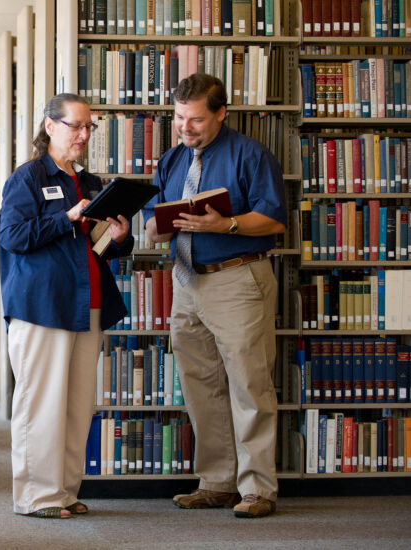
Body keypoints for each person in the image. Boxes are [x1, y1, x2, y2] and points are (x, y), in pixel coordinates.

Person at [142, 74, 287, 518]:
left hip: (237, 278)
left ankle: (258, 489)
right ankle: (218, 482)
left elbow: (274, 219)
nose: (187, 128)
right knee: (200, 385)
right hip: (187, 280)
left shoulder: (250, 154)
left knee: (249, 384)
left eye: (197, 120)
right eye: (180, 118)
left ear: (221, 113)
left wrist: (224, 224)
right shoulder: (171, 160)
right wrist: (152, 226)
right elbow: (153, 216)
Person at [0, 93, 133, 519]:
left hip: (87, 304)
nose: (83, 135)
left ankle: (64, 492)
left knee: (77, 406)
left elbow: (100, 250)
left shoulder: (92, 183)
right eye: (75, 125)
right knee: (41, 404)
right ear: (50, 125)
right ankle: (36, 496)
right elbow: (13, 237)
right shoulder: (28, 178)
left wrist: (120, 235)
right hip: (43, 307)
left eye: (89, 127)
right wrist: (66, 218)